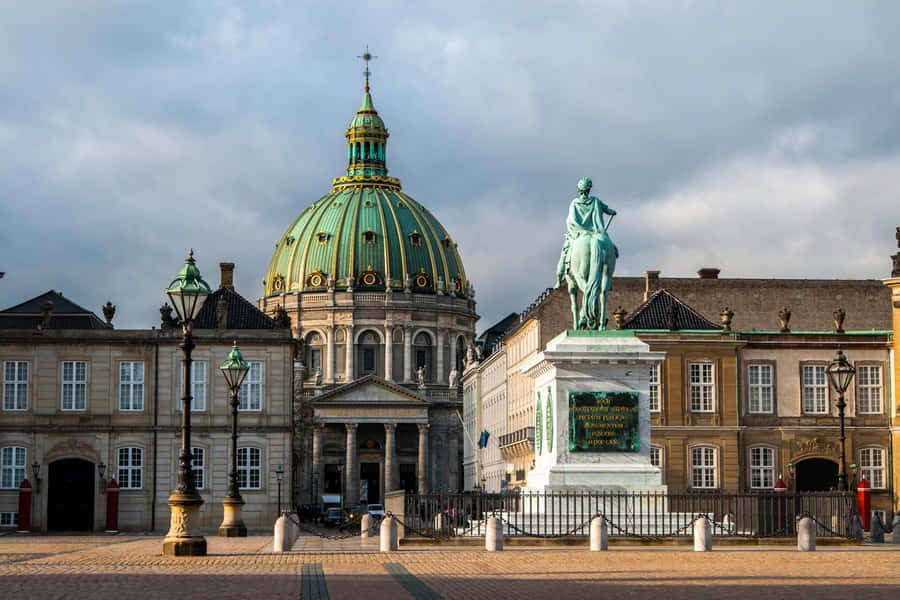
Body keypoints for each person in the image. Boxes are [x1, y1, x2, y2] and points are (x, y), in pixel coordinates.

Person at [555, 177, 617, 288]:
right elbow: (609, 210)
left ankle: (559, 279)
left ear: (579, 190)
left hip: (578, 234)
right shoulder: (596, 201)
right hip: (596, 233)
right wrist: (612, 212)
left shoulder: (574, 203)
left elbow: (572, 220)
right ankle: (608, 278)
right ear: (589, 189)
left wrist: (580, 229)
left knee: (564, 253)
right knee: (612, 249)